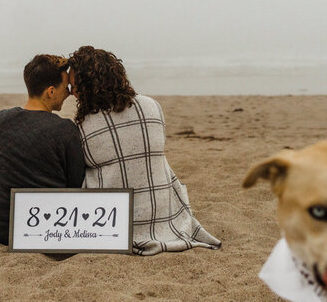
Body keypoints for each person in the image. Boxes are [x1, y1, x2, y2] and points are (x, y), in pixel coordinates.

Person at [67, 46, 221, 256]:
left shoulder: (86, 126)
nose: (72, 93)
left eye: (75, 86)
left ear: (89, 86)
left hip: (112, 223)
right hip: (165, 215)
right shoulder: (151, 106)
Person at [0, 54, 85, 244]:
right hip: (46, 230)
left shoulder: (1, 120)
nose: (68, 93)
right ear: (50, 92)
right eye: (65, 88)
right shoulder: (66, 130)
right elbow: (75, 181)